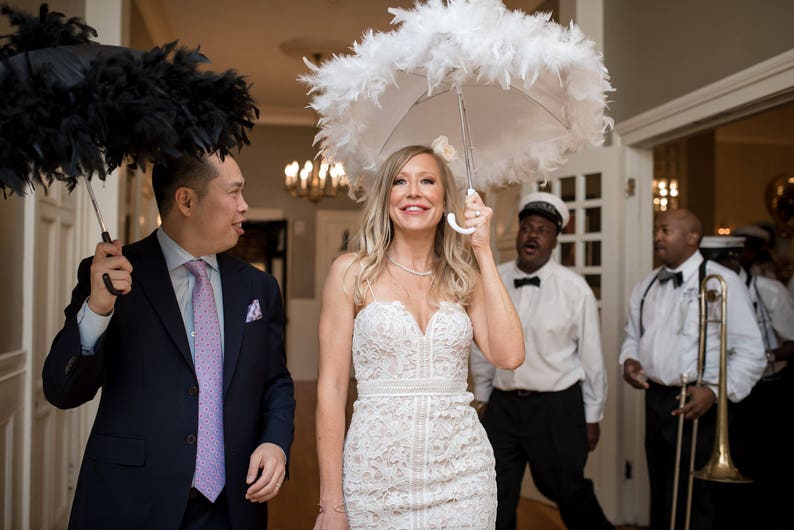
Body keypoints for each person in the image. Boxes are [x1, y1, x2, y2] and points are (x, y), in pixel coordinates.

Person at [43, 153, 296, 530]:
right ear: (186, 201)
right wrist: (98, 308)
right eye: (234, 192)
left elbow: (276, 382)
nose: (244, 206)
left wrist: (275, 443)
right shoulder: (112, 275)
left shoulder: (259, 287)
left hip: (233, 508)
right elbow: (62, 392)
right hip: (132, 504)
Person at [313, 142, 524, 530]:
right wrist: (331, 503)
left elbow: (509, 355)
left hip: (463, 477)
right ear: (386, 197)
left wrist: (483, 250)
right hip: (376, 478)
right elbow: (331, 388)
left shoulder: (464, 277)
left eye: (427, 181)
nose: (413, 192)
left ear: (445, 199)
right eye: (400, 181)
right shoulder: (350, 272)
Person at [470, 192, 613, 530]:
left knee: (568, 489)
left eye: (543, 230)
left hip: (557, 407)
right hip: (503, 407)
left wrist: (592, 415)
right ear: (518, 234)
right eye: (527, 228)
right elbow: (482, 346)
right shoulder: (493, 279)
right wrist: (485, 398)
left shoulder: (574, 289)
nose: (532, 235)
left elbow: (592, 357)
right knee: (496, 492)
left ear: (554, 241)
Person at [619, 209, 765, 530]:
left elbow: (753, 353)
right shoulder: (646, 286)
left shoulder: (722, 281)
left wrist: (714, 391)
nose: (657, 236)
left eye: (665, 230)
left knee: (695, 499)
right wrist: (630, 361)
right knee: (660, 489)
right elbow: (633, 336)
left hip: (699, 403)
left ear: (692, 238)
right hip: (655, 400)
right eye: (656, 230)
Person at [700, 235, 794, 530]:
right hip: (718, 390)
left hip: (765, 387)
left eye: (717, 261)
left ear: (735, 258)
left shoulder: (769, 290)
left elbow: (793, 341)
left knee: (762, 460)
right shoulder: (700, 287)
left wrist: (758, 356)